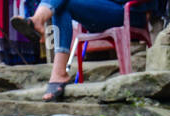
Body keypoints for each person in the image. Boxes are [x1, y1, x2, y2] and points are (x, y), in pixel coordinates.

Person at [12, 0, 149, 101]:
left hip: (130, 11)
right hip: (103, 10)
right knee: (61, 6)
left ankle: (37, 21)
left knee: (63, 5)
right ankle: (59, 73)